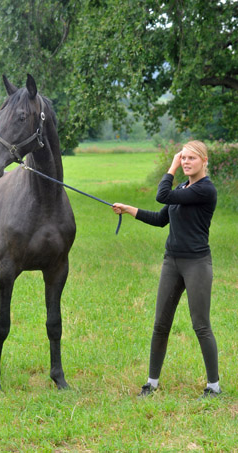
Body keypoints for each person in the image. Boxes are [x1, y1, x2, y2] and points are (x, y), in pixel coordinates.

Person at [112, 140, 221, 399]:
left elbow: (163, 194)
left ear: (204, 161)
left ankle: (214, 386)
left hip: (196, 264)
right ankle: (151, 383)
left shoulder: (206, 190)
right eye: (183, 158)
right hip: (172, 262)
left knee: (201, 325)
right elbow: (162, 218)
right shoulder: (184, 187)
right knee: (161, 324)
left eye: (190, 158)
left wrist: (170, 167)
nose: (185, 162)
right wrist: (129, 210)